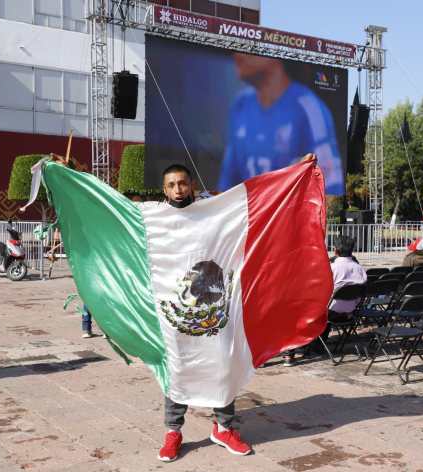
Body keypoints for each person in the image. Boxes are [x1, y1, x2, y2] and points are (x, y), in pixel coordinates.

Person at [158, 163, 252, 462]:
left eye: (182, 183)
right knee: (178, 370)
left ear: (192, 185)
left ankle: (223, 428)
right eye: (171, 185)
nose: (177, 190)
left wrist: (294, 171)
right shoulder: (154, 219)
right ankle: (173, 432)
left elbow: (254, 199)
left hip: (216, 309)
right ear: (164, 189)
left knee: (222, 366)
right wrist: (69, 176)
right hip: (175, 313)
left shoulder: (212, 210)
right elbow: (111, 210)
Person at [217, 53, 344, 195]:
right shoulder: (241, 104)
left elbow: (331, 184)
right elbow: (227, 182)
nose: (238, 55)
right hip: (251, 213)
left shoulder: (309, 106)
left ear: (274, 55)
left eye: (251, 48)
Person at [282, 235, 367, 366]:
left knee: (292, 312)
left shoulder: (331, 268)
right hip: (350, 313)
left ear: (335, 250)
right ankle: (316, 346)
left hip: (328, 312)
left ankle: (289, 354)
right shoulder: (360, 269)